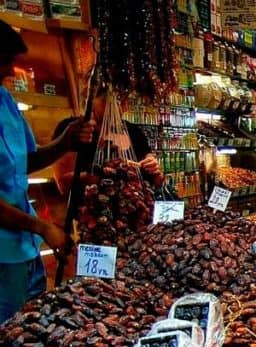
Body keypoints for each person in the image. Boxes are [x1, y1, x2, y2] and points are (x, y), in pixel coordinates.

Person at [0, 20, 94, 323]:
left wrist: (64, 143)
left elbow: (25, 161)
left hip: (25, 248)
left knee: (33, 327)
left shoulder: (5, 101)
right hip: (4, 254)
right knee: (10, 335)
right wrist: (42, 227)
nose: (9, 71)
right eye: (4, 62)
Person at [52, 85, 163, 195]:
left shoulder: (134, 132)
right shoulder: (74, 129)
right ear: (91, 99)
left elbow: (157, 180)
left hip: (132, 208)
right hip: (88, 210)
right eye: (114, 101)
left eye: (124, 101)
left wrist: (154, 169)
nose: (121, 108)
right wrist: (105, 172)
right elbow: (63, 185)